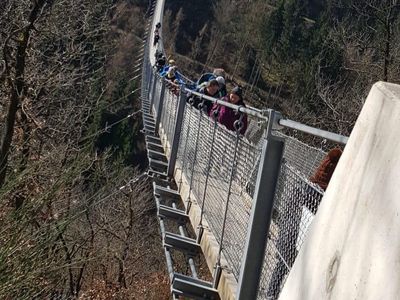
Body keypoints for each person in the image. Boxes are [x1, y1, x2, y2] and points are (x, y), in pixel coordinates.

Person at [266, 148, 343, 299]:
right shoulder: (324, 198)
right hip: (303, 243)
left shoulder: (304, 185)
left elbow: (288, 210)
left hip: (288, 236)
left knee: (281, 268)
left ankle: (271, 295)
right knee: (301, 278)